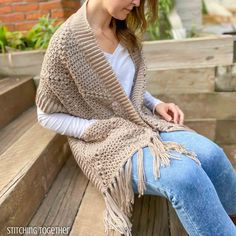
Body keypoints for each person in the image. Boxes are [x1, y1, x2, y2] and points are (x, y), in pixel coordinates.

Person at [35, 0, 236, 235]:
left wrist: (156, 103)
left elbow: (125, 89)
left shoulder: (122, 30)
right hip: (106, 144)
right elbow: (45, 115)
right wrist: (96, 129)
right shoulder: (65, 44)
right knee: (185, 176)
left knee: (213, 155)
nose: (137, 3)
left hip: (143, 122)